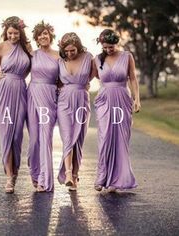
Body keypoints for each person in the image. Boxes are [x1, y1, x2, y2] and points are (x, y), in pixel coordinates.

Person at [94, 29, 141, 192]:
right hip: (104, 100)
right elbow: (92, 77)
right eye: (105, 47)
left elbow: (133, 78)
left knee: (121, 138)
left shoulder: (127, 56)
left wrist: (137, 99)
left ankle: (116, 181)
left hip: (122, 99)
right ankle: (102, 178)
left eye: (111, 47)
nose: (108, 50)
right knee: (105, 137)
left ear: (116, 43)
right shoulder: (97, 59)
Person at [0, 16, 31, 193]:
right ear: (5, 32)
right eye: (10, 33)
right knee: (6, 133)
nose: (13, 36)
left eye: (16, 33)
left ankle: (14, 173)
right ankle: (9, 178)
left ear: (21, 31)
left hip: (20, 91)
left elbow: (32, 67)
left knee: (16, 136)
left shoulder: (27, 47)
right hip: (3, 93)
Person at [57, 32, 94, 191]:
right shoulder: (60, 61)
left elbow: (94, 74)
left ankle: (76, 173)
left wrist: (85, 84)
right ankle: (69, 174)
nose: (70, 54)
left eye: (73, 50)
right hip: (64, 101)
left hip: (82, 99)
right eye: (67, 51)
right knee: (67, 137)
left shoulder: (88, 57)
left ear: (78, 47)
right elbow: (55, 80)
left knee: (78, 139)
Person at [27, 21, 59, 192]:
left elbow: (64, 77)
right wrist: (2, 74)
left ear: (50, 35)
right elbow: (19, 72)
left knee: (45, 137)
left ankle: (44, 179)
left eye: (46, 33)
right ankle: (35, 172)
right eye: (40, 34)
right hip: (32, 95)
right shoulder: (31, 55)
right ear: (36, 38)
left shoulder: (59, 56)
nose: (43, 36)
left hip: (49, 96)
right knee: (33, 140)